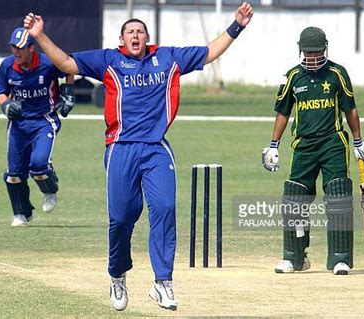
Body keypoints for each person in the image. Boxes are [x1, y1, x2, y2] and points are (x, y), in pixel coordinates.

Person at [24, 2, 253, 311]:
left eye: (140, 32)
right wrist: (39, 36)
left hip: (156, 147)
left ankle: (163, 282)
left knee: (165, 207)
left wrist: (237, 25)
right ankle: (117, 275)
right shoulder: (109, 60)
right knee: (121, 218)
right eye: (130, 32)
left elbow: (210, 52)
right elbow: (66, 64)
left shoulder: (167, 58)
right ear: (122, 40)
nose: (135, 36)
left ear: (147, 38)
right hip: (120, 148)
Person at [262, 26, 364, 275]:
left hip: (333, 141)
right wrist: (273, 145)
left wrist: (358, 142)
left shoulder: (337, 74)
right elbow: (283, 112)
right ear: (301, 51)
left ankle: (340, 259)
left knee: (338, 196)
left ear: (325, 49)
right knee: (295, 199)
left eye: (317, 51)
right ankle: (295, 257)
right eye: (308, 52)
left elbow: (350, 109)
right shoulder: (292, 77)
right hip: (304, 145)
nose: (312, 57)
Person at [0, 27, 75, 227]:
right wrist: (6, 105)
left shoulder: (47, 63)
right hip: (18, 124)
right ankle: (21, 214)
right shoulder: (7, 66)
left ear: (31, 48)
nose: (16, 52)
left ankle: (49, 190)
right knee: (14, 174)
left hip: (44, 120)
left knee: (38, 165)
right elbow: (0, 91)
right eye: (13, 47)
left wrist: (68, 91)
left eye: (20, 48)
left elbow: (69, 68)